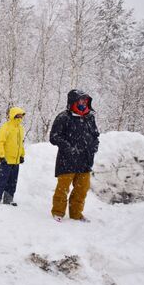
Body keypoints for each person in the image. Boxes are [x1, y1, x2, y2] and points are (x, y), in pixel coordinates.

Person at [49, 89, 99, 223]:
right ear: (73, 102)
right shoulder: (63, 117)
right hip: (67, 160)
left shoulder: (90, 117)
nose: (83, 103)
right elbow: (54, 137)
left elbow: (95, 135)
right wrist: (69, 148)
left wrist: (94, 146)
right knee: (62, 189)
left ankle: (76, 214)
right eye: (81, 100)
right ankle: (58, 212)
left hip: (85, 160)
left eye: (85, 101)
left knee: (82, 189)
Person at [0, 106, 26, 206]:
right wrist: (1, 156)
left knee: (12, 181)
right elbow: (0, 142)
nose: (20, 117)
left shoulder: (21, 129)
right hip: (5, 160)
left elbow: (21, 143)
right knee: (2, 179)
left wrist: (22, 155)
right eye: (18, 115)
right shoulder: (6, 127)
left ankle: (8, 198)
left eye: (21, 115)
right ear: (13, 115)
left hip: (16, 160)